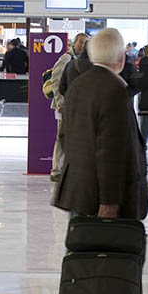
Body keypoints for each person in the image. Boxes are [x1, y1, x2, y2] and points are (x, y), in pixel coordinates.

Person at [53, 28, 148, 220]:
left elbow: (65, 136)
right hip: (104, 199)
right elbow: (111, 150)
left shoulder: (77, 86)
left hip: (79, 191)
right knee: (108, 248)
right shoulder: (116, 90)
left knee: (82, 245)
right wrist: (109, 202)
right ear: (121, 58)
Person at [49, 33, 89, 182]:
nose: (83, 46)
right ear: (74, 43)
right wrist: (60, 103)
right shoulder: (66, 58)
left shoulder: (78, 60)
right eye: (81, 43)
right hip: (64, 105)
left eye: (86, 43)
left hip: (73, 105)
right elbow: (56, 80)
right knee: (62, 137)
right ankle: (56, 170)